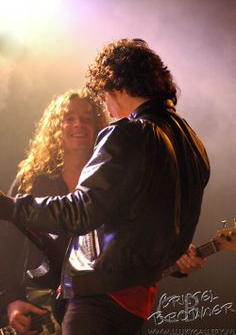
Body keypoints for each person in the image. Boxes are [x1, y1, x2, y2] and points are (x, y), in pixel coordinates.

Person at [0, 38, 210, 335]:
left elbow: (81, 212)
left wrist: (10, 207)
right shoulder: (192, 143)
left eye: (104, 98)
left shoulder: (127, 133)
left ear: (116, 87)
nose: (109, 111)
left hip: (99, 299)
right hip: (136, 302)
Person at [0, 88, 108, 334]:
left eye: (87, 117)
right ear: (55, 127)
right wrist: (11, 300)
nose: (78, 124)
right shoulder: (30, 180)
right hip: (40, 307)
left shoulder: (110, 182)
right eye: (68, 118)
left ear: (99, 126)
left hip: (98, 306)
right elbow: (4, 245)